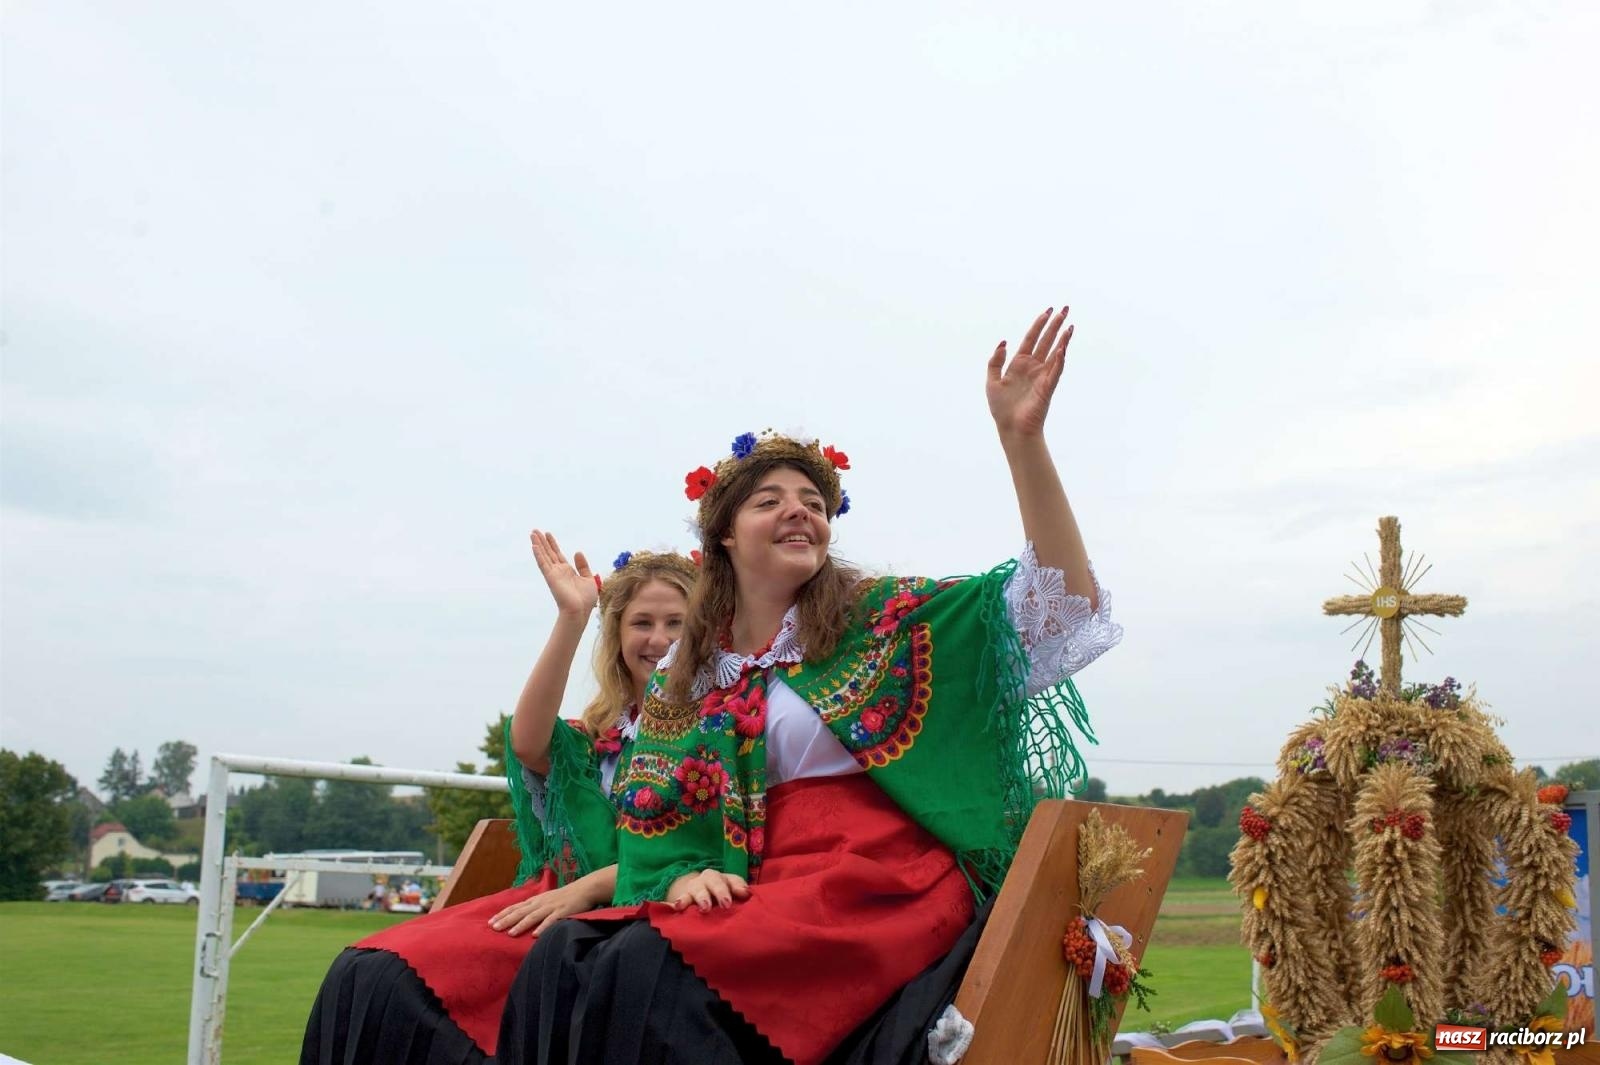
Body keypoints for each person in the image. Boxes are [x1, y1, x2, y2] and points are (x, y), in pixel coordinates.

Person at [499, 306, 1123, 1065]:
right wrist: (685, 871)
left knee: (643, 970)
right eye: (770, 500)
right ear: (723, 535)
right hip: (765, 884)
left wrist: (1022, 442)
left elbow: (1062, 609)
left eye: (815, 502)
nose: (799, 509)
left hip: (879, 885)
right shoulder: (688, 672)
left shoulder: (884, 619)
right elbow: (655, 805)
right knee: (563, 961)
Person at [300, 539, 697, 1065]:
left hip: (634, 913)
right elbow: (529, 742)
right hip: (562, 903)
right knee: (369, 972)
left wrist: (587, 888)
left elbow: (699, 846)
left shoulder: (717, 730)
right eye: (642, 623)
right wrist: (572, 618)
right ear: (618, 638)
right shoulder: (600, 737)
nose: (660, 639)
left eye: (676, 623)